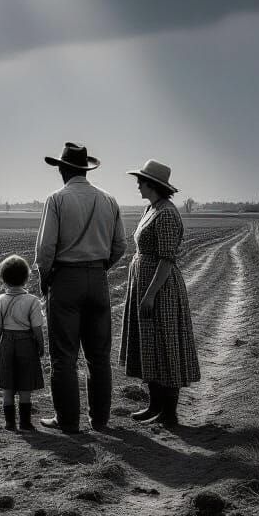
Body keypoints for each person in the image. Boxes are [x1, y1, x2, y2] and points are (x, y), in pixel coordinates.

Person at [34, 142, 127, 433]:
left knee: (64, 355)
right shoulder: (109, 200)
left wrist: (45, 279)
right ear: (85, 169)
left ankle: (68, 421)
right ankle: (99, 420)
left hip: (65, 281)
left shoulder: (57, 199)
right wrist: (100, 268)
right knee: (99, 356)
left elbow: (46, 249)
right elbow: (121, 245)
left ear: (63, 169)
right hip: (98, 280)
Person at [119, 159, 200, 428]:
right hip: (145, 282)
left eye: (140, 181)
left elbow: (166, 259)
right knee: (149, 343)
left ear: (152, 184)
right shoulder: (151, 209)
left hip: (161, 288)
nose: (137, 185)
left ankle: (169, 412)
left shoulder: (165, 213)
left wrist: (151, 294)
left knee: (166, 343)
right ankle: (154, 405)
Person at [0, 255, 46, 432]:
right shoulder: (32, 301)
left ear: (3, 279)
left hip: (6, 342)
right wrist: (41, 344)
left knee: (7, 385)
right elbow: (37, 327)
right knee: (25, 384)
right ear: (27, 278)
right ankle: (25, 422)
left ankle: (9, 423)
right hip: (26, 343)